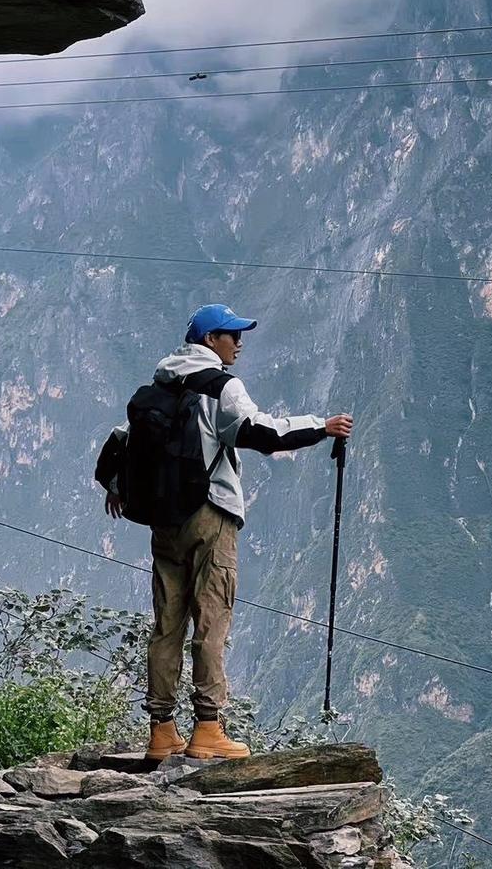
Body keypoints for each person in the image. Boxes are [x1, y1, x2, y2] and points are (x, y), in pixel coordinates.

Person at [102, 303, 353, 762]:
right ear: (208, 340)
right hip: (209, 516)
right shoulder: (219, 386)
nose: (238, 343)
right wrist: (321, 426)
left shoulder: (159, 387)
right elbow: (261, 432)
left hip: (165, 524)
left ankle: (161, 732)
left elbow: (119, 440)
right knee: (212, 619)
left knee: (166, 626)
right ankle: (208, 729)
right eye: (230, 334)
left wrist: (117, 488)